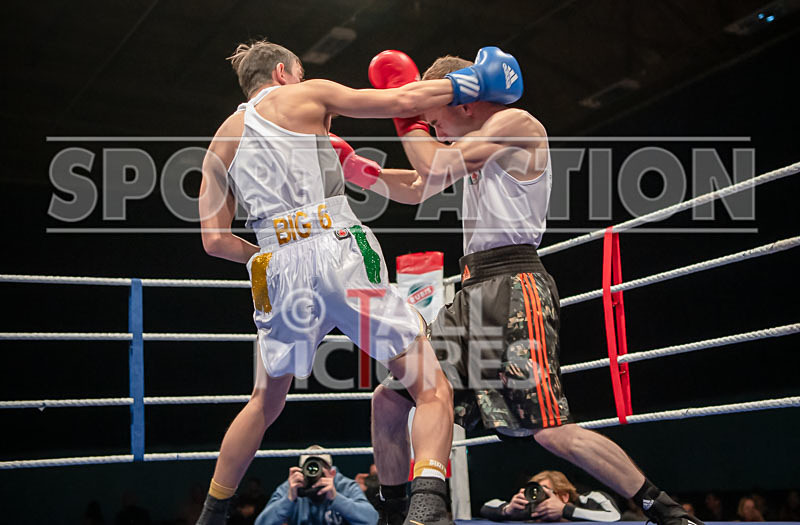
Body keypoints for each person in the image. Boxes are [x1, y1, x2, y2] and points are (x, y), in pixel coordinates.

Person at [358, 50, 705, 525]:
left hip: (515, 287)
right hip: (472, 290)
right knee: (392, 398)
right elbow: (418, 186)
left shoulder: (516, 124)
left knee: (550, 432)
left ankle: (662, 509)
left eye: (436, 120)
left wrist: (405, 117)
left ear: (463, 102)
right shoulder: (467, 148)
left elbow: (432, 167)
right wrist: (354, 168)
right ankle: (403, 514)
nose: (434, 131)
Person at [196, 39, 523, 525]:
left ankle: (211, 513)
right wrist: (469, 82)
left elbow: (216, 242)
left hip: (275, 266)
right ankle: (428, 507)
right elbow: (402, 102)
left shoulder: (219, 143)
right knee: (430, 385)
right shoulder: (305, 95)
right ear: (284, 73)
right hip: (334, 244)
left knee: (265, 402)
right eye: (301, 72)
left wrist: (268, 255)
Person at [254, 446, 377, 525]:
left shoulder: (344, 486)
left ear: (332, 473)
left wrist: (336, 498)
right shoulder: (292, 487)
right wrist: (289, 500)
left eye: (320, 469)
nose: (314, 474)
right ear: (301, 471)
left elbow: (372, 520)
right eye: (310, 469)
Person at [480, 469, 621, 522]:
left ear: (564, 496)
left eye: (545, 491)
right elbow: (487, 506)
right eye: (534, 492)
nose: (538, 497)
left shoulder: (590, 499)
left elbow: (614, 516)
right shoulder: (531, 509)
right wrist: (508, 510)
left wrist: (564, 510)